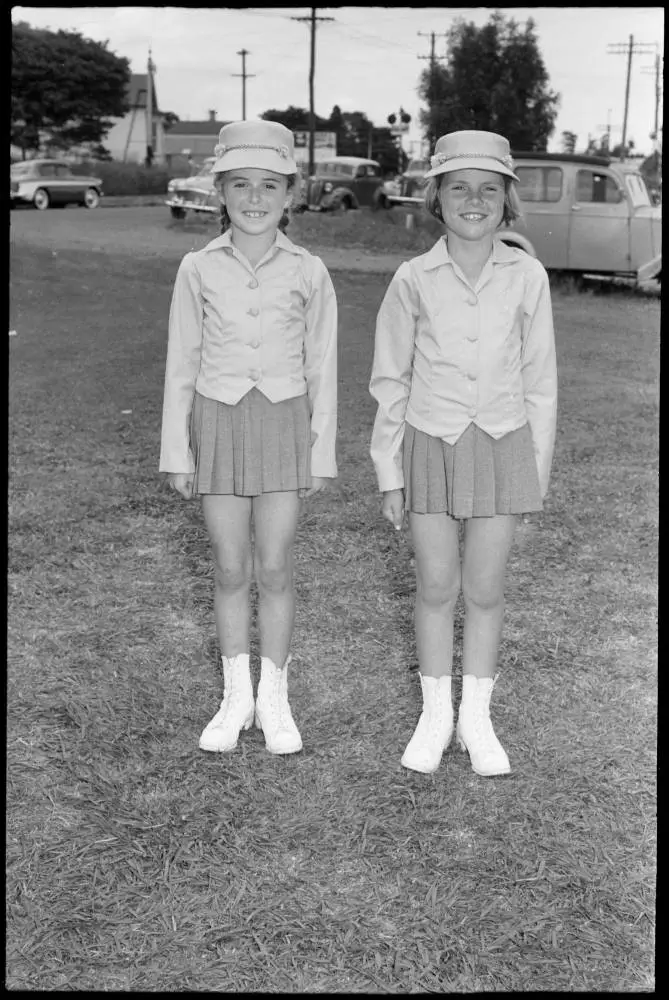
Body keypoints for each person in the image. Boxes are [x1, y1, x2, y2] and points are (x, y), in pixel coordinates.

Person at [369, 130, 557, 777]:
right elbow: (390, 379)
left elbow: (540, 383)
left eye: (487, 189)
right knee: (435, 586)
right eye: (458, 188)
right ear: (436, 198)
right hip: (430, 444)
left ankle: (476, 720)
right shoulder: (412, 278)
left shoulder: (526, 274)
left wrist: (534, 475)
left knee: (483, 590)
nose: (472, 201)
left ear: (506, 201)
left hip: (503, 447)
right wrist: (389, 472)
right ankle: (435, 715)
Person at [160, 120, 338, 755]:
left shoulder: (310, 270)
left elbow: (323, 367)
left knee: (274, 565)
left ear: (291, 193)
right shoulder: (197, 267)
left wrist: (320, 451)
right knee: (230, 566)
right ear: (220, 191)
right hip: (219, 422)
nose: (255, 198)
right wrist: (177, 452)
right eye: (240, 184)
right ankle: (236, 697)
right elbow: (182, 362)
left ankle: (274, 697)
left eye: (269, 185)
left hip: (284, 425)